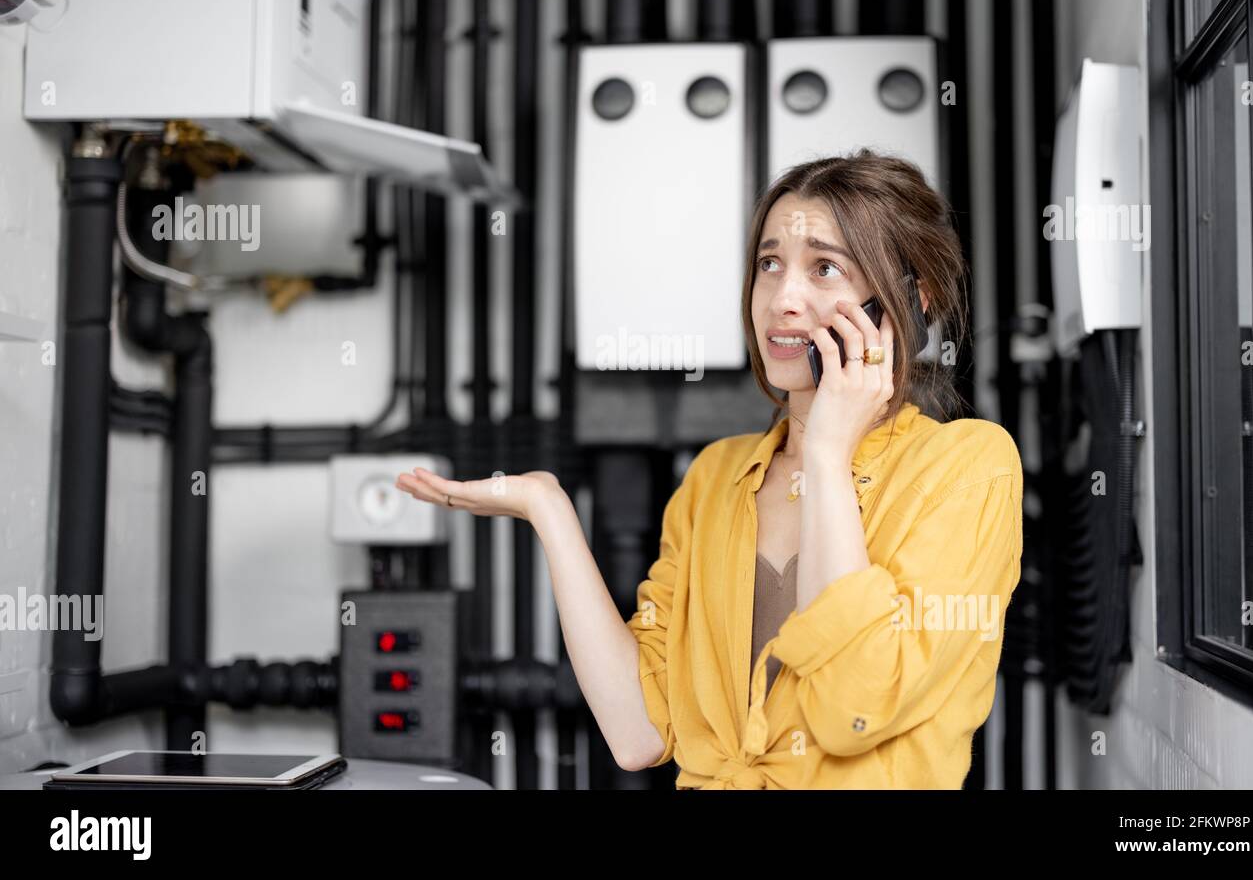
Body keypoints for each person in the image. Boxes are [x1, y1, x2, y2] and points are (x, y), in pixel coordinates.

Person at [395, 149, 1023, 789]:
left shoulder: (968, 468)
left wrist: (829, 456)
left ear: (908, 304)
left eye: (824, 268)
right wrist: (548, 511)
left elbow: (851, 711)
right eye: (769, 264)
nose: (783, 298)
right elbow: (639, 734)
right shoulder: (714, 479)